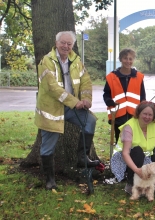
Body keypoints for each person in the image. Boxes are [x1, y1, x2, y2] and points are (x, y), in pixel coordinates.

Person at [35, 31, 100, 190]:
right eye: (63, 43)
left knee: (89, 121)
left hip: (73, 106)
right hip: (52, 109)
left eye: (69, 44)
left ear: (72, 45)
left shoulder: (76, 60)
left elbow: (86, 82)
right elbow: (52, 88)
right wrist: (74, 101)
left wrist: (86, 99)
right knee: (48, 146)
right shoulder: (46, 61)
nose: (66, 46)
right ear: (56, 43)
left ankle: (82, 157)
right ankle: (50, 180)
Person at [110, 101, 155, 196]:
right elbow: (125, 153)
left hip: (144, 158)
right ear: (138, 113)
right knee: (137, 151)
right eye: (144, 114)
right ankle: (131, 184)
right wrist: (137, 170)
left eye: (150, 115)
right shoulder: (129, 127)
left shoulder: (154, 125)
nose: (147, 117)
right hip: (124, 159)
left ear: (154, 116)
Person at [103, 48, 146, 145]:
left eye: (130, 59)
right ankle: (119, 160)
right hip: (118, 115)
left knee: (134, 142)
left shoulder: (138, 77)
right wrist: (109, 101)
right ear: (121, 59)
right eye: (125, 58)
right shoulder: (111, 77)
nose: (128, 61)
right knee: (120, 142)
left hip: (134, 115)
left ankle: (132, 160)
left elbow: (142, 95)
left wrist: (143, 108)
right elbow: (106, 94)